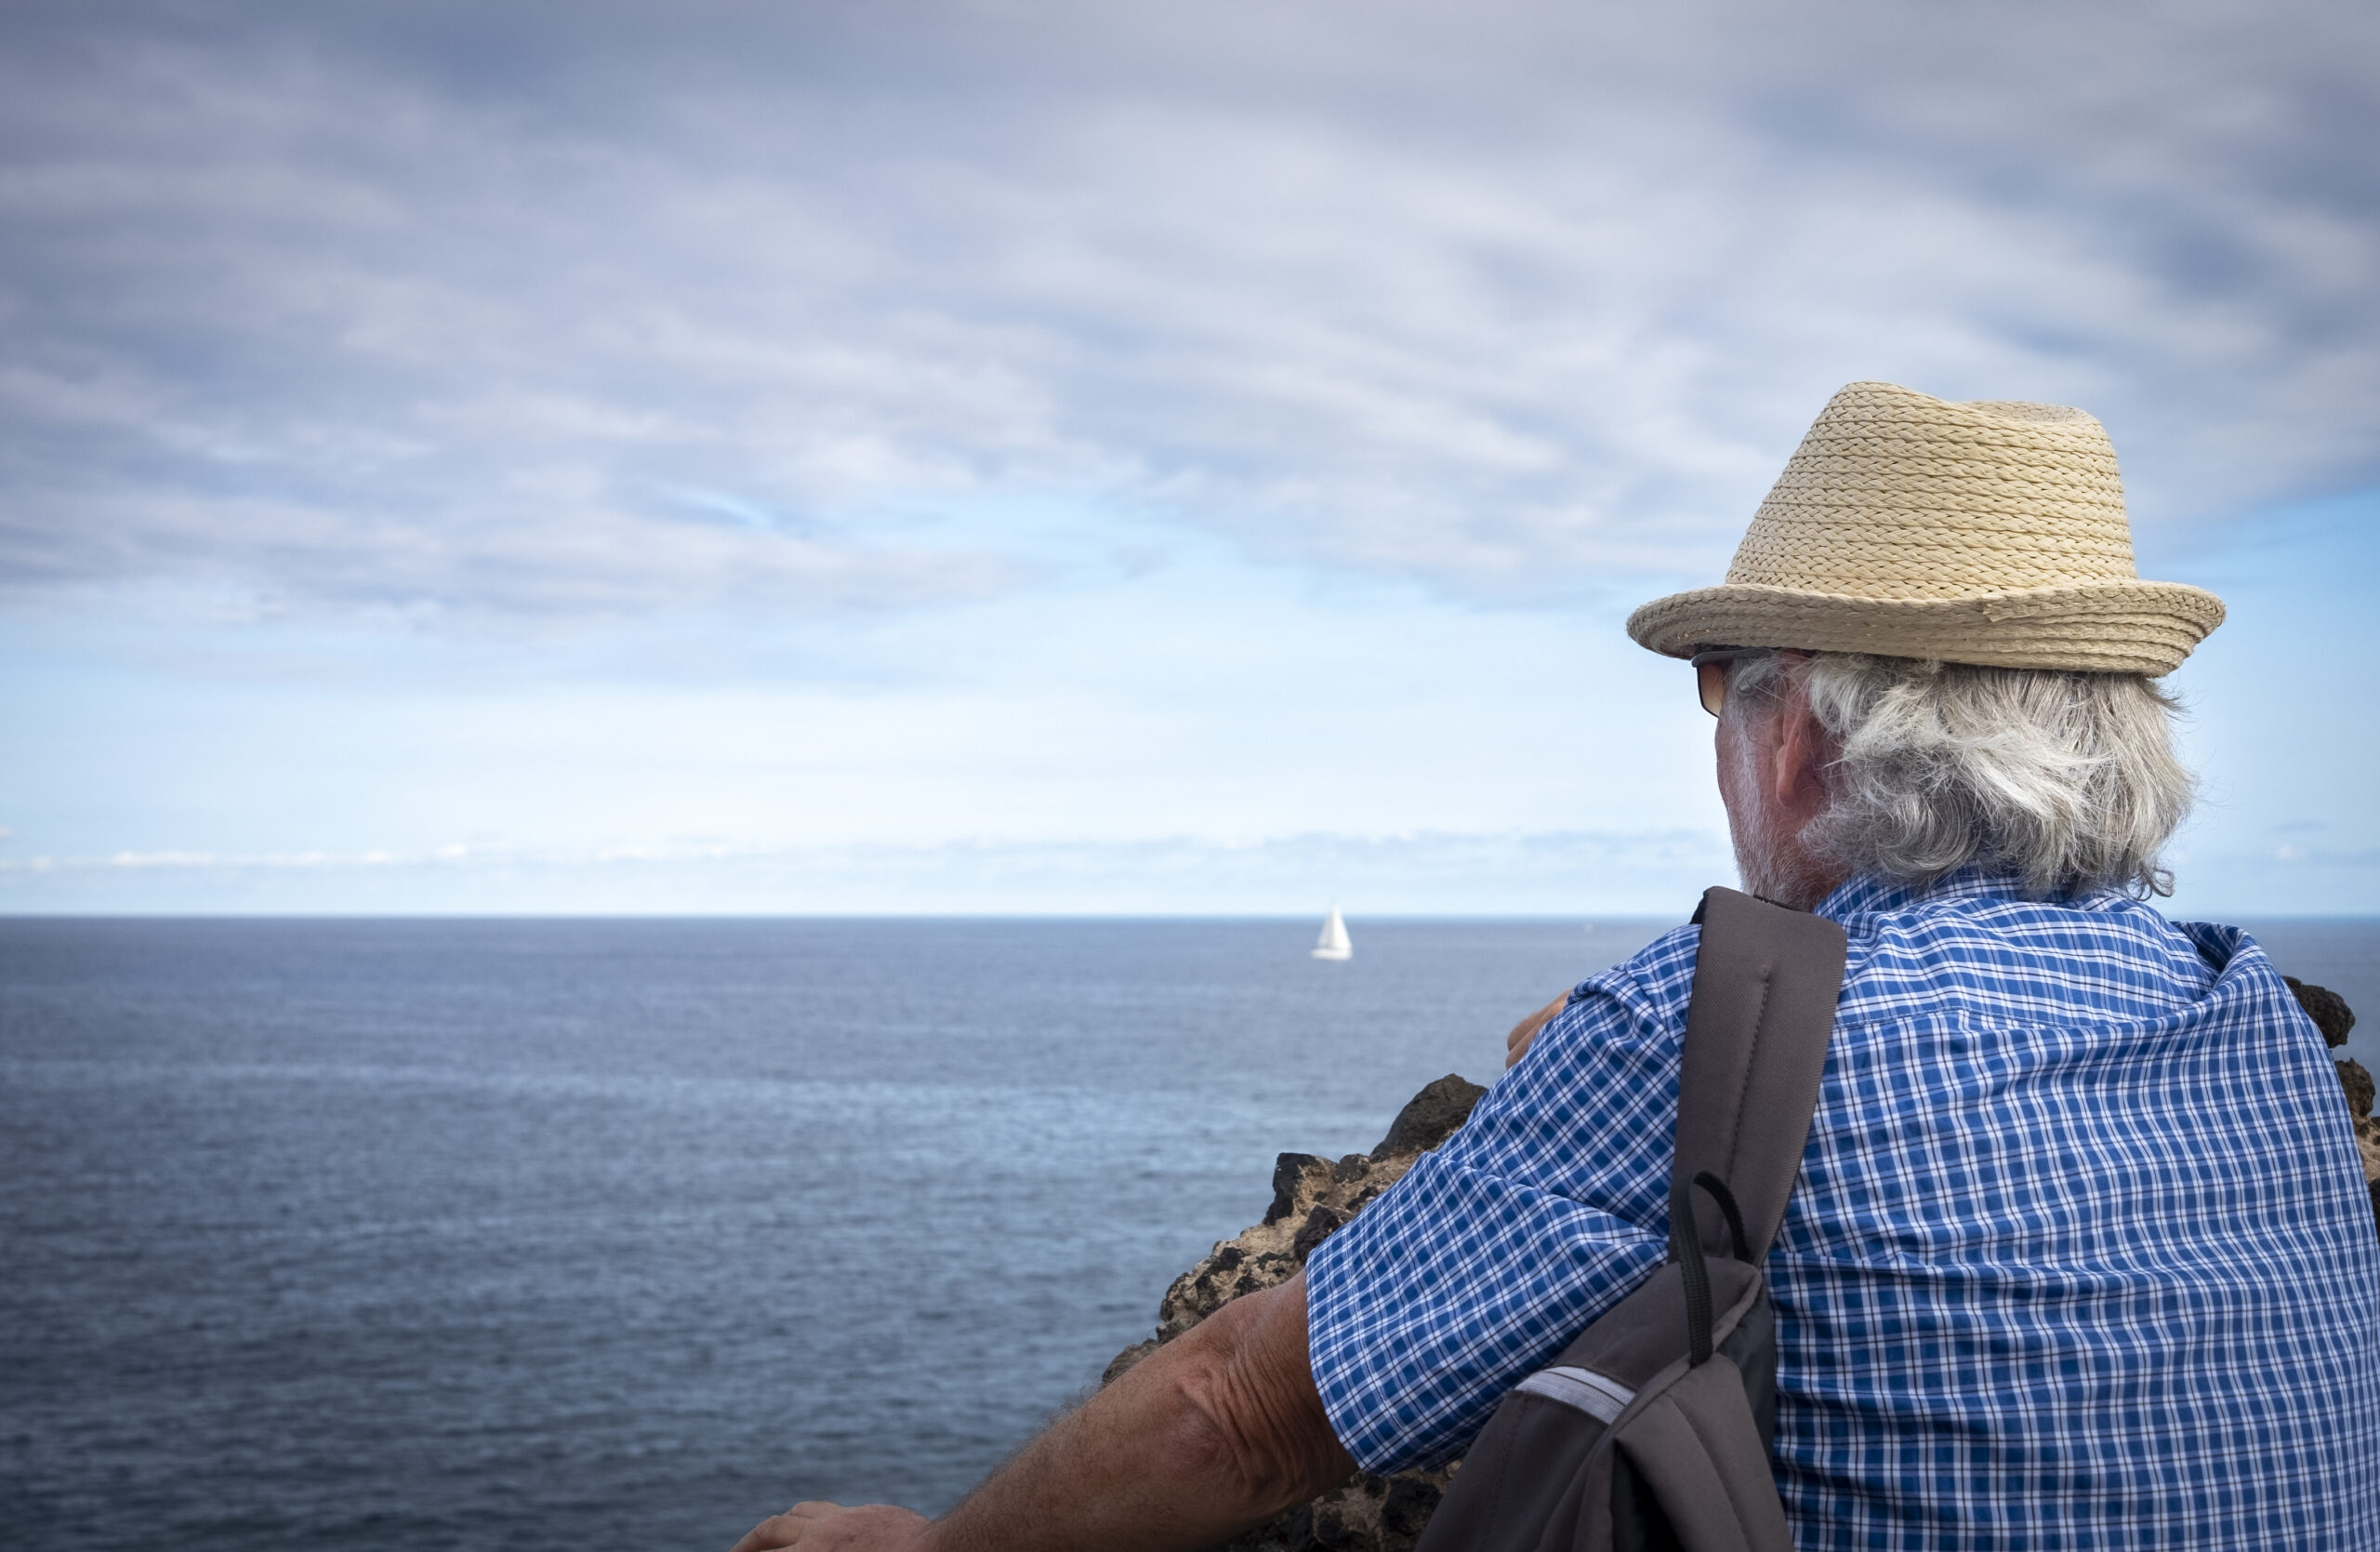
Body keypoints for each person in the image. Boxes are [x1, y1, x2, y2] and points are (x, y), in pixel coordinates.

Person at [733, 383, 2380, 1550]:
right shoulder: (2254, 1025)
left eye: (1721, 684)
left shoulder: (1713, 1039)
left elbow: (1238, 1409)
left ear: (1799, 727)